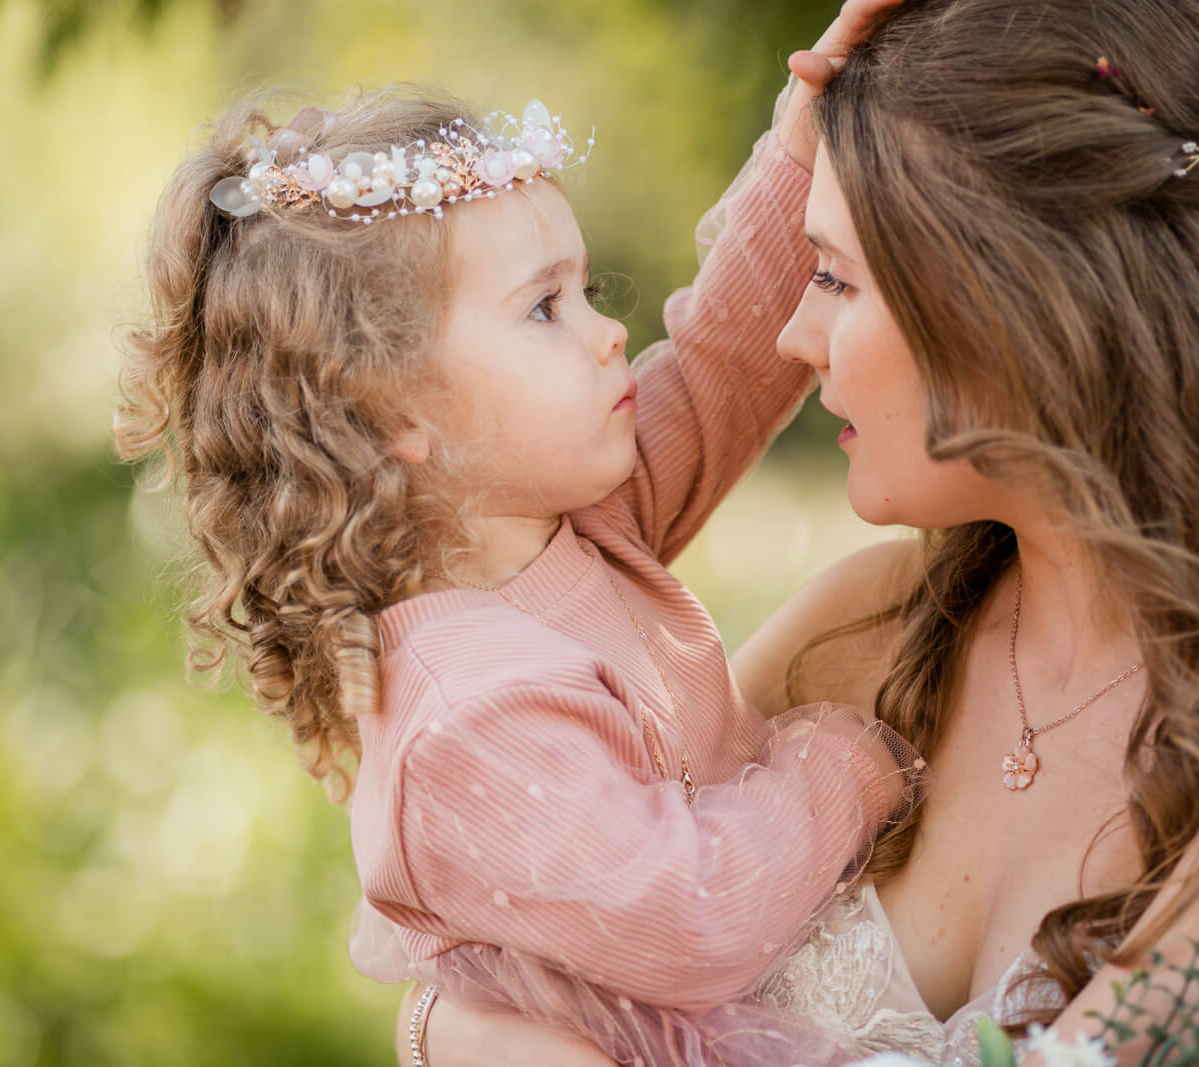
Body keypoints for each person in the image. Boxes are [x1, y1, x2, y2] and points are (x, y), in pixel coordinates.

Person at [420, 0, 1199, 1064]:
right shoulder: (855, 639)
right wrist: (443, 1026)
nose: (795, 336)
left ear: (1032, 304)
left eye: (835, 277)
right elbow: (543, 949)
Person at [112, 4, 929, 1062]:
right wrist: (844, 758)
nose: (607, 334)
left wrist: (800, 136)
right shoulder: (465, 716)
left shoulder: (579, 523)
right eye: (545, 307)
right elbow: (699, 914)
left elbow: (725, 362)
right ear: (394, 408)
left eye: (584, 288)